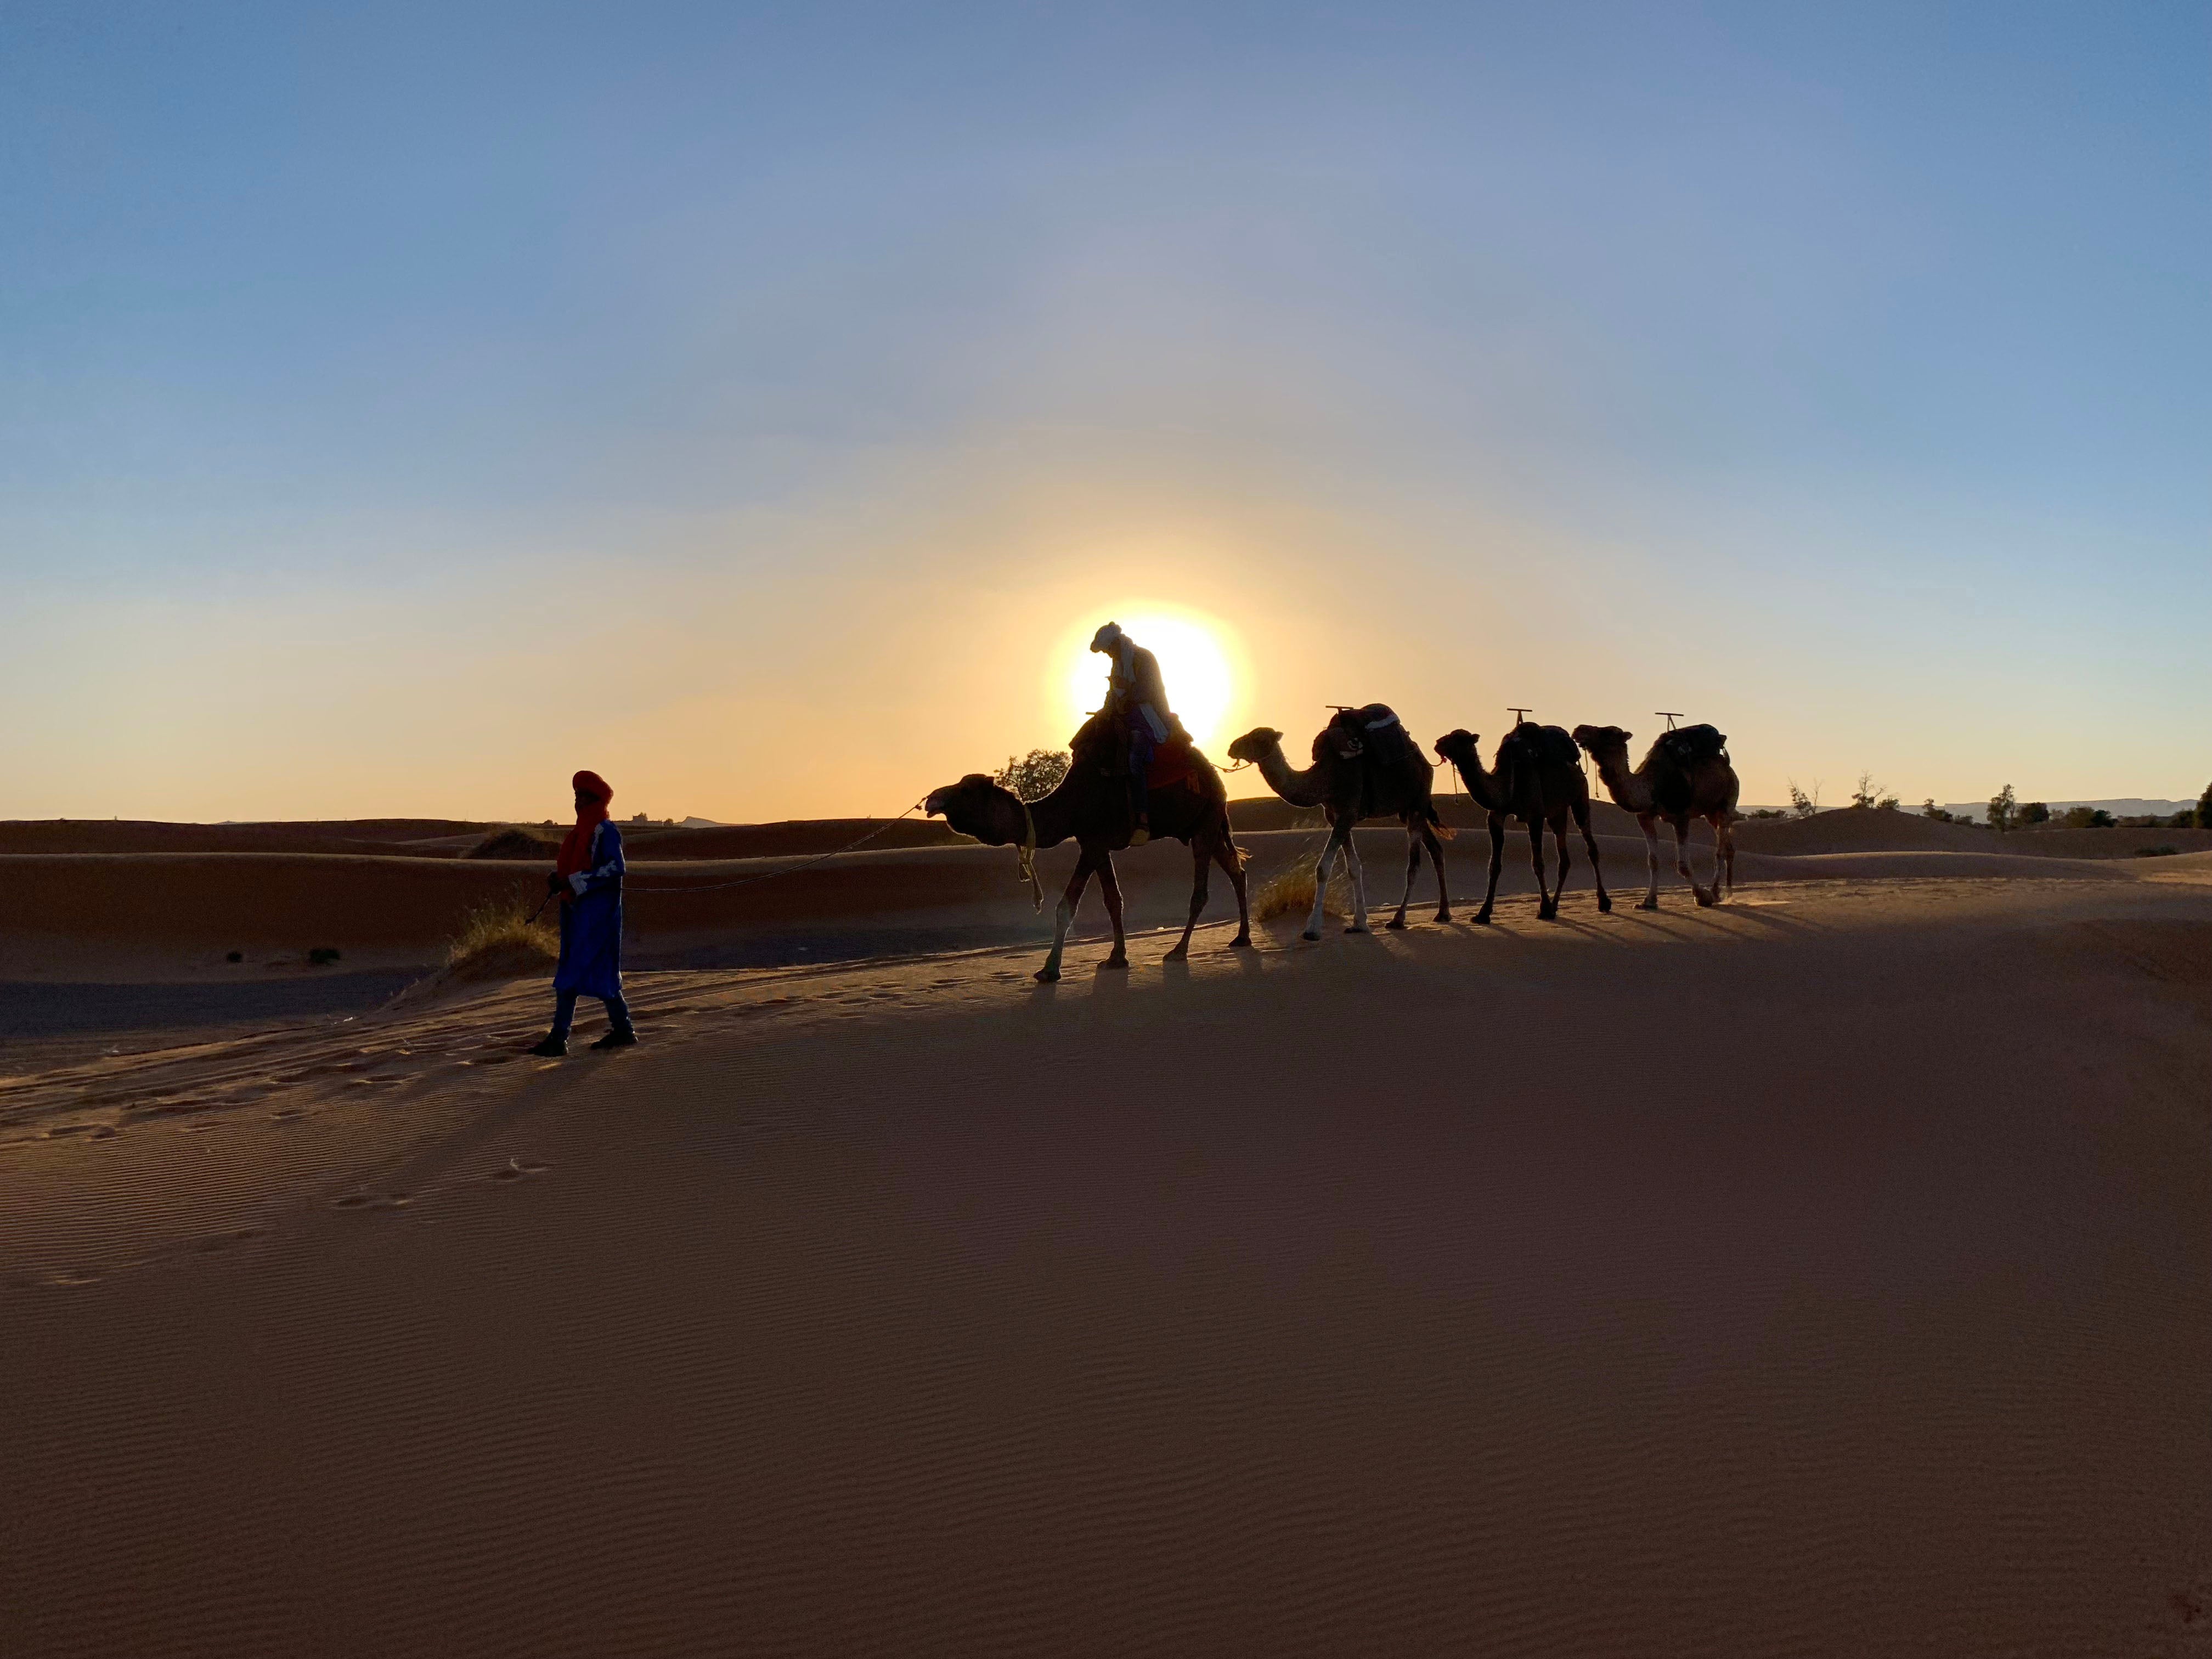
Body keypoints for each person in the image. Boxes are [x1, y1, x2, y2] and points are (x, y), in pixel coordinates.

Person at [529, 769, 637, 1056]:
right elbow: (575, 867)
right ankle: (573, 1035)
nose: (578, 803)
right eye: (576, 797)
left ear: (596, 799)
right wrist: (561, 879)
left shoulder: (605, 830)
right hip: (578, 912)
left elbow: (616, 868)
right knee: (573, 971)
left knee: (590, 973)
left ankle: (566, 1037)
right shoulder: (579, 833)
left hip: (599, 916)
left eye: (583, 797)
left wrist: (575, 880)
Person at [1090, 621, 1174, 843]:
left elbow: (1149, 690)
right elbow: (1113, 693)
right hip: (1126, 714)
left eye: (1109, 650)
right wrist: (1106, 711)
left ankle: (1143, 822)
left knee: (1134, 757)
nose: (1108, 655)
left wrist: (1125, 690)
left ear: (1116, 643)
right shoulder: (1119, 663)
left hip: (1149, 716)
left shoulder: (1143, 657)